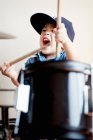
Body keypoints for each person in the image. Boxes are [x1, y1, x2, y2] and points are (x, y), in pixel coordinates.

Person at [1, 12, 78, 87]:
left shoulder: (65, 59)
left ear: (63, 45)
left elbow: (75, 65)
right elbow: (26, 88)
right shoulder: (32, 62)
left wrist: (65, 41)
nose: (46, 33)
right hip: (38, 99)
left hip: (61, 99)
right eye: (44, 30)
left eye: (53, 31)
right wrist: (13, 75)